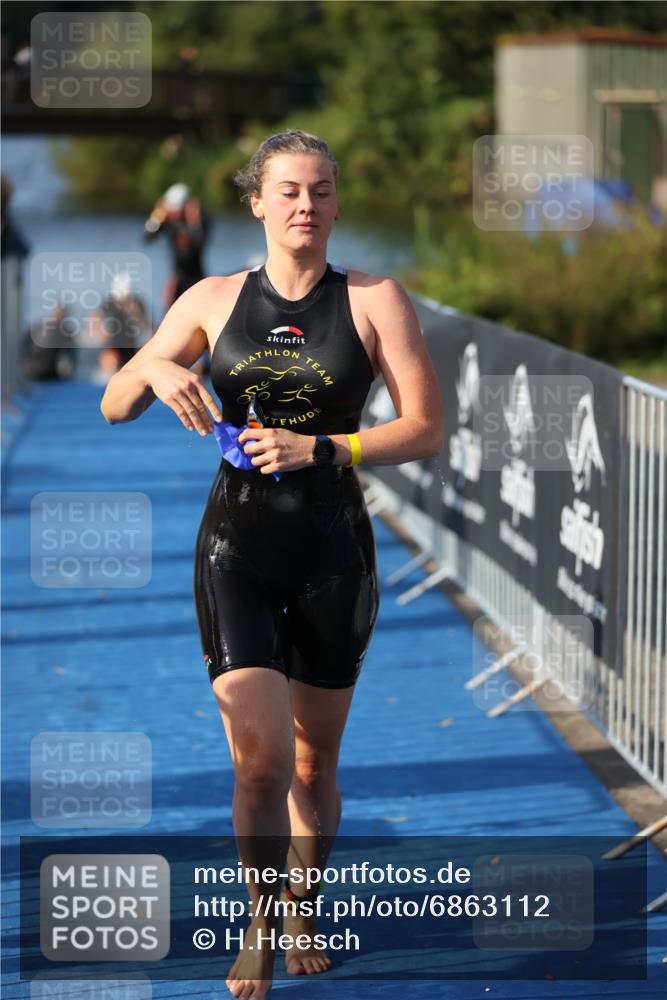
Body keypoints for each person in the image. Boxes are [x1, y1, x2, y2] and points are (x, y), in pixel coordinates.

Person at [100, 128, 444, 999]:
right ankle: (257, 919)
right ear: (256, 201)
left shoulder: (373, 299)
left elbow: (424, 428)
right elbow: (112, 408)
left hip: (333, 553)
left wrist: (319, 447)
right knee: (256, 762)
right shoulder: (213, 298)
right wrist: (150, 364)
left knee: (311, 768)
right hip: (236, 550)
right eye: (288, 191)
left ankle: (305, 904)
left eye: (321, 192)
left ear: (335, 202)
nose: (306, 207)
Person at [143, 182, 211, 308]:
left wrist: (193, 221)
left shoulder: (201, 218)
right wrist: (157, 215)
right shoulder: (168, 221)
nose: (174, 214)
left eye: (177, 210)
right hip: (176, 280)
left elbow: (200, 242)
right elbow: (147, 237)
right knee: (170, 316)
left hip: (197, 279)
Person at [89, 272, 152, 384]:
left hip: (130, 343)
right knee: (110, 367)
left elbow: (147, 324)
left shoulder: (136, 303)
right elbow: (94, 318)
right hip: (114, 344)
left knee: (132, 371)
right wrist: (100, 333)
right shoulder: (110, 302)